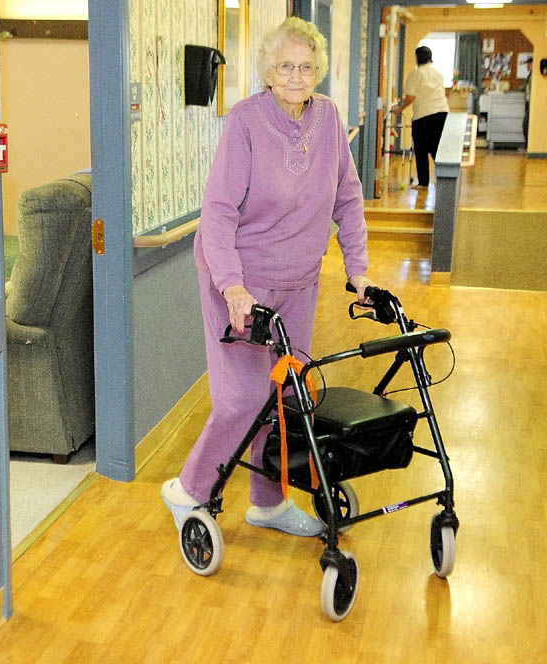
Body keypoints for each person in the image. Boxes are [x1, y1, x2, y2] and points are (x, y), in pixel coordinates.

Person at [161, 17, 374, 538]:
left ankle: (267, 500)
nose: (297, 76)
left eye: (306, 66)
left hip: (300, 281)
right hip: (240, 281)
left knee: (286, 394)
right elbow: (218, 212)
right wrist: (231, 285)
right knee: (242, 398)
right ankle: (189, 489)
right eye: (286, 66)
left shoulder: (328, 119)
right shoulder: (246, 121)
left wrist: (359, 271)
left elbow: (347, 199)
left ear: (318, 70)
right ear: (268, 71)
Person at [391, 46, 450, 190]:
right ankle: (444, 181)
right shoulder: (437, 73)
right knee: (437, 149)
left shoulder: (416, 74)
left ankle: (423, 182)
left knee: (421, 149)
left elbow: (410, 97)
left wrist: (399, 109)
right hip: (442, 113)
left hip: (424, 115)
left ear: (417, 58)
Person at [522, 56, 533, 146]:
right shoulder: (530, 76)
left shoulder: (534, 76)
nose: (527, 66)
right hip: (528, 102)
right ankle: (528, 145)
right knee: (526, 125)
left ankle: (528, 145)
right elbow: (525, 88)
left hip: (532, 103)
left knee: (526, 125)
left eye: (529, 64)